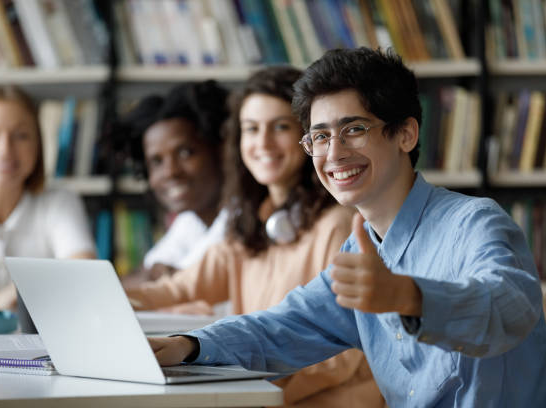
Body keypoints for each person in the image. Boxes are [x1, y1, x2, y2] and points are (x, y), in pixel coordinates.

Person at [148, 48, 546, 407]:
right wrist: (187, 345)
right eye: (320, 136)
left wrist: (411, 297)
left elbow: (511, 309)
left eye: (354, 129)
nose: (334, 154)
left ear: (406, 134)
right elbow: (282, 326)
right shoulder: (359, 250)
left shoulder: (474, 222)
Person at [126, 67, 384, 407]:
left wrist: (250, 386)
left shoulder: (339, 224)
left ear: (309, 136)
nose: (262, 144)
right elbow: (177, 289)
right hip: (266, 392)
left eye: (279, 127)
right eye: (251, 129)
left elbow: (341, 356)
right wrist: (107, 301)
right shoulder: (250, 223)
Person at [0, 86, 95, 310]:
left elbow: (84, 275)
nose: (5, 150)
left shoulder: (60, 201)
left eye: (21, 136)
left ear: (38, 149)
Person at [120, 81, 229, 283]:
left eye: (185, 153)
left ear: (220, 152)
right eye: (156, 161)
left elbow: (182, 286)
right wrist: (156, 275)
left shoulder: (243, 219)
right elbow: (136, 279)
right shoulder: (190, 222)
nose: (170, 172)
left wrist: (162, 277)